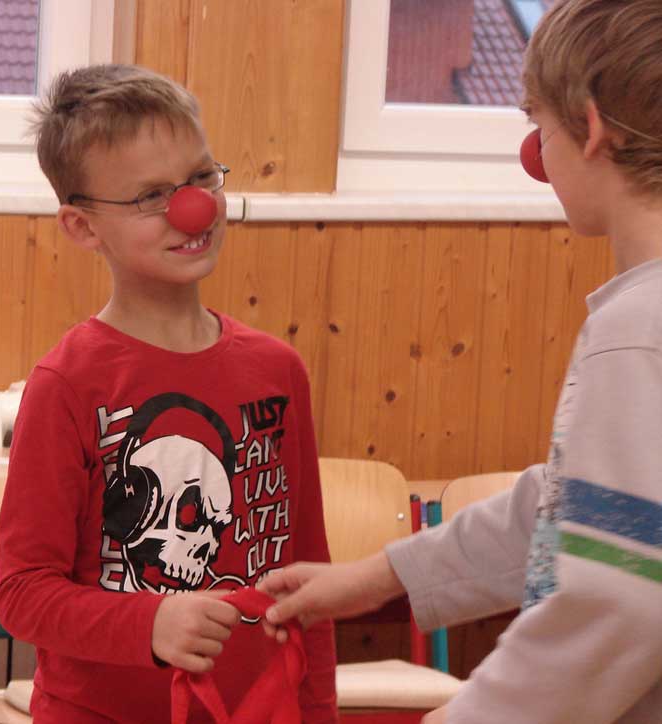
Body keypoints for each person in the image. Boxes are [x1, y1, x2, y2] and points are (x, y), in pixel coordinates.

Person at [260, 1, 662, 722]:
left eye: (538, 123)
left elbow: (617, 600)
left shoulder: (638, 330)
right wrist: (378, 576)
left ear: (592, 128)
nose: (535, 151)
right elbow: (581, 506)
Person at [0, 63, 336, 724]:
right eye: (152, 196)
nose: (193, 208)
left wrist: (316, 713)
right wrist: (147, 624)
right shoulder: (68, 384)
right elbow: (23, 592)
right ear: (83, 227)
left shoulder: (279, 371)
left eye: (202, 178)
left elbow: (307, 583)